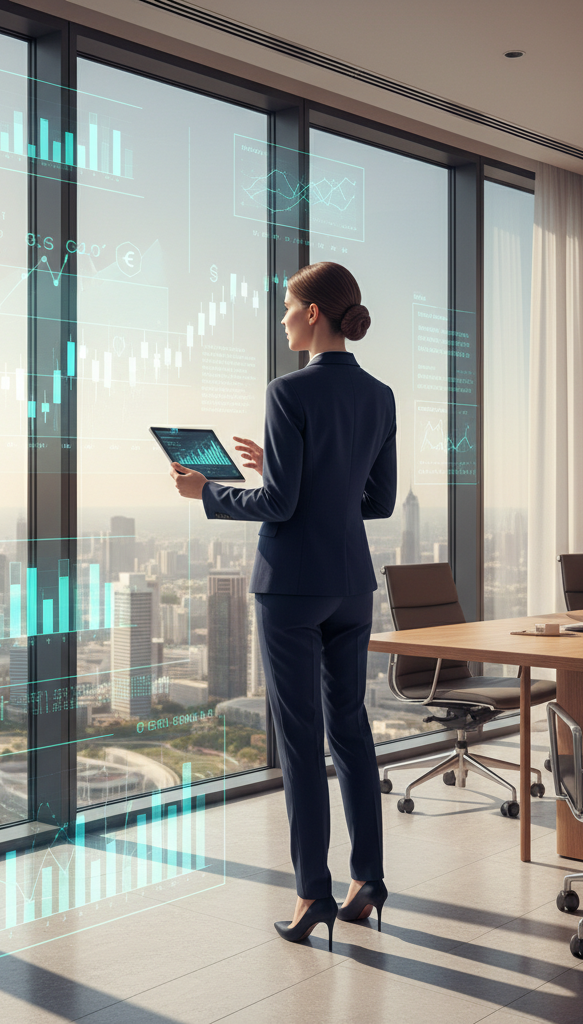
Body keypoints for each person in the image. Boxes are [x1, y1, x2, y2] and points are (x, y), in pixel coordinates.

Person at [170, 261, 397, 952]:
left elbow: (281, 505)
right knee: (351, 732)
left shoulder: (287, 391)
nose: (282, 319)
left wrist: (203, 493)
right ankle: (368, 883)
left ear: (315, 314)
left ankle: (311, 896)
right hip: (352, 583)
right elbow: (377, 501)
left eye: (289, 308)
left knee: (301, 744)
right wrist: (283, 468)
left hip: (293, 584)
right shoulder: (380, 395)